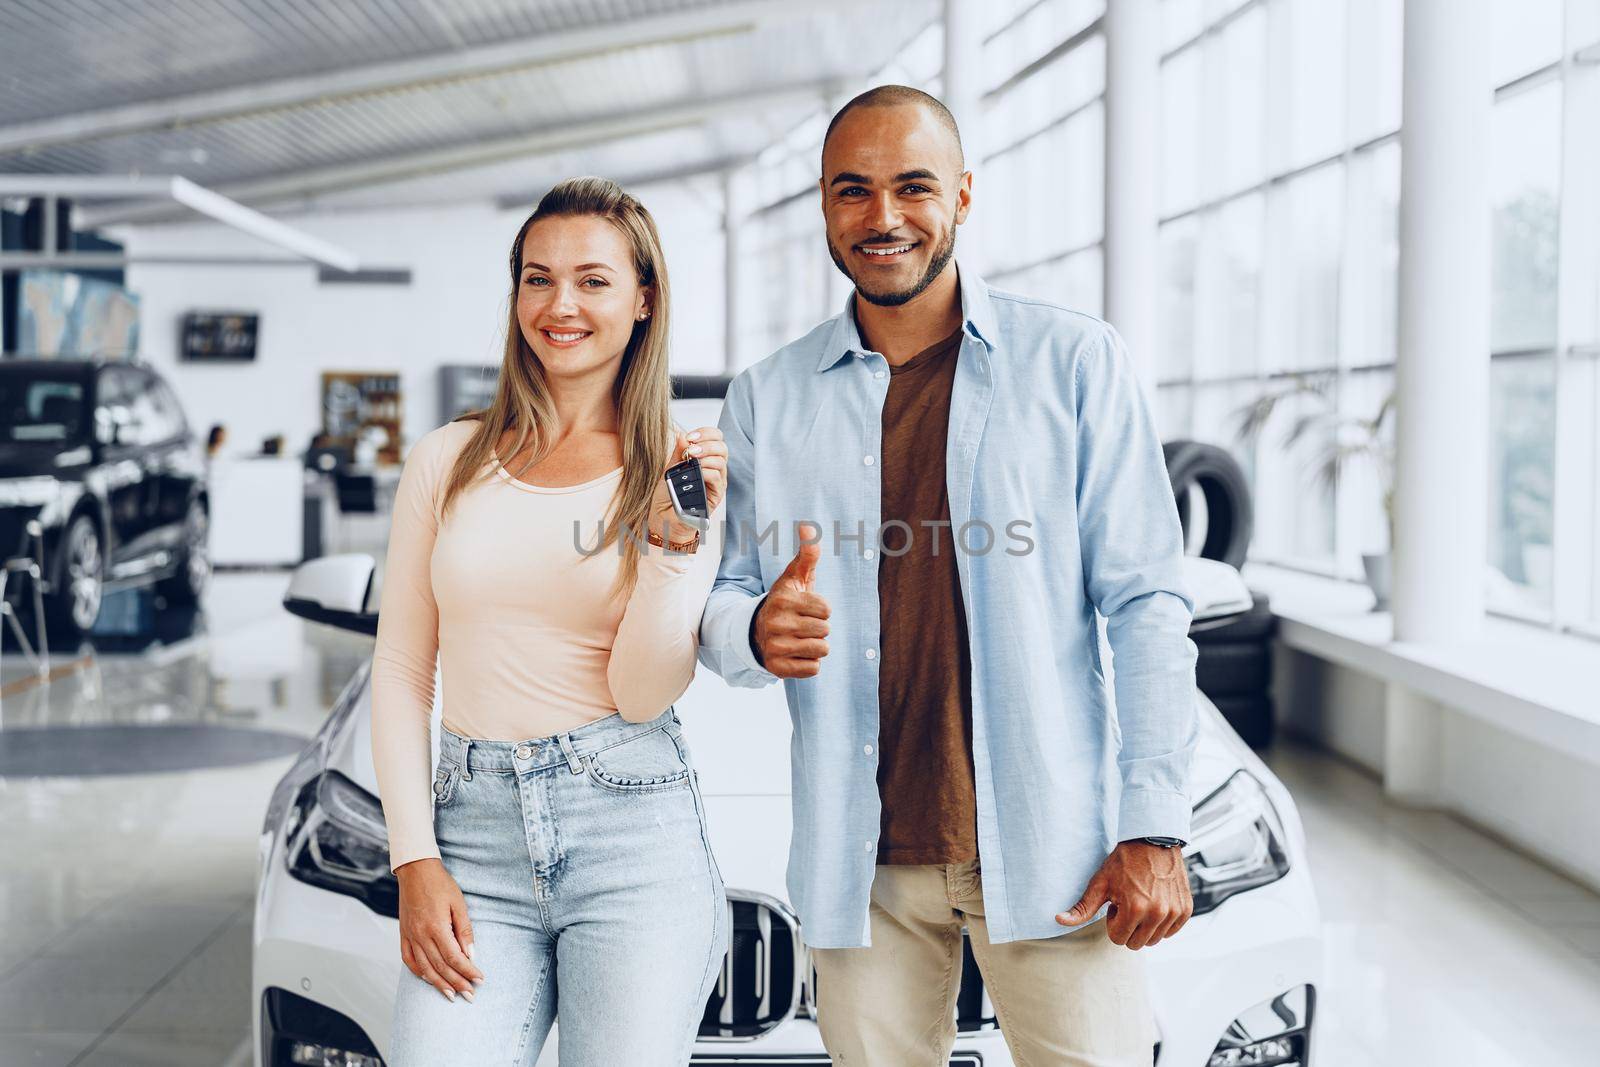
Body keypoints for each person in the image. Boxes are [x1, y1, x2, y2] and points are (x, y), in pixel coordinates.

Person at [697, 86, 1199, 1066]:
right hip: (859, 865)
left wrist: (1155, 827)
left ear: (962, 197)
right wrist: (751, 631)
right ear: (824, 204)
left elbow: (1146, 601)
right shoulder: (769, 394)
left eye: (912, 186)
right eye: (853, 191)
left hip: (1056, 850)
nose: (882, 217)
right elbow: (723, 594)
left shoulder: (1074, 364)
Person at [371, 176, 730, 1066]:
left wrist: (671, 550)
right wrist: (414, 858)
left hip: (631, 833)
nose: (559, 304)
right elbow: (402, 670)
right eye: (537, 278)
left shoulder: (679, 468)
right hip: (471, 832)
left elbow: (643, 693)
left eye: (592, 280)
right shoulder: (447, 459)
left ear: (644, 299)